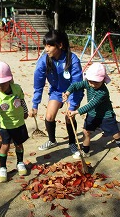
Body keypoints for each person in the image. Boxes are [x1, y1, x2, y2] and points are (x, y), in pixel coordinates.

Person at [62, 63, 120, 165]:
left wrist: (76, 112)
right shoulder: (88, 83)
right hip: (92, 114)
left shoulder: (103, 92)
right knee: (86, 132)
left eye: (96, 82)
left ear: (102, 80)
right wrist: (67, 93)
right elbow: (75, 85)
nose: (92, 84)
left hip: (106, 115)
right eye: (90, 81)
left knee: (116, 134)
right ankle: (85, 151)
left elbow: (91, 104)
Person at [31, 30, 84, 158]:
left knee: (69, 117)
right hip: (56, 91)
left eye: (49, 45)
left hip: (72, 91)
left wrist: (72, 106)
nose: (46, 49)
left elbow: (77, 84)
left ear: (60, 45)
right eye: (45, 45)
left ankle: (72, 143)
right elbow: (38, 84)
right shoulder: (44, 60)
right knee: (49, 116)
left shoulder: (72, 59)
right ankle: (52, 140)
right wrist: (35, 104)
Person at [0, 61, 29, 182]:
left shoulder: (17, 88)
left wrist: (25, 111)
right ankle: (3, 167)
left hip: (19, 123)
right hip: (5, 126)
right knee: (5, 146)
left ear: (9, 80)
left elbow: (22, 101)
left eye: (3, 84)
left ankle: (20, 162)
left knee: (19, 144)